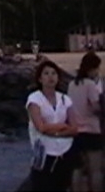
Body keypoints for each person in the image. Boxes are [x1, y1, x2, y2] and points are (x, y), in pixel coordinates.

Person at [26, 60, 79, 191]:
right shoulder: (35, 99)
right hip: (44, 153)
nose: (50, 77)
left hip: (65, 151)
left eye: (54, 73)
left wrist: (56, 132)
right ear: (40, 78)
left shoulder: (65, 99)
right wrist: (62, 125)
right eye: (46, 74)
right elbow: (41, 127)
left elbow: (74, 128)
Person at [67, 52, 102, 192]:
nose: (97, 71)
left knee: (77, 169)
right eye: (97, 68)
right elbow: (94, 107)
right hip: (91, 130)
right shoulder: (90, 85)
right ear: (91, 68)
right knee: (95, 170)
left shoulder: (71, 84)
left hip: (75, 131)